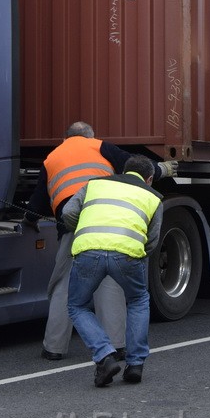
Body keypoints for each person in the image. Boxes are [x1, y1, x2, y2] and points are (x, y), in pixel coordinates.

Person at [25, 121, 175, 361]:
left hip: (72, 224)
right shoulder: (100, 146)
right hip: (106, 219)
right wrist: (162, 169)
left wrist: (29, 218)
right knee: (110, 283)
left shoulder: (51, 157)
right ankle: (116, 346)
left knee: (64, 286)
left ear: (66, 139)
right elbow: (134, 169)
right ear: (90, 136)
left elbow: (38, 200)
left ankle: (53, 347)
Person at [63, 155, 163, 387]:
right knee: (138, 300)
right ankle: (135, 364)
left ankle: (105, 355)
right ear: (149, 179)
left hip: (88, 250)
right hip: (127, 255)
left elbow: (68, 212)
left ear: (123, 170)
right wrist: (136, 251)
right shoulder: (154, 197)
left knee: (77, 305)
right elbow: (153, 239)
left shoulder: (94, 184)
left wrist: (84, 227)